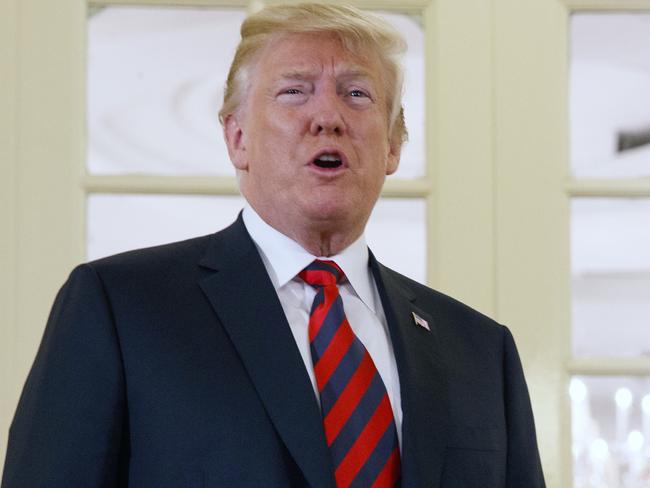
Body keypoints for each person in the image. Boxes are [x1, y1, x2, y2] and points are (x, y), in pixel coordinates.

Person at [2, 4, 546, 487]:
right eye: (294, 91)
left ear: (393, 146)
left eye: (357, 94)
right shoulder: (118, 308)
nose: (328, 117)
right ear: (237, 137)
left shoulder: (479, 350)